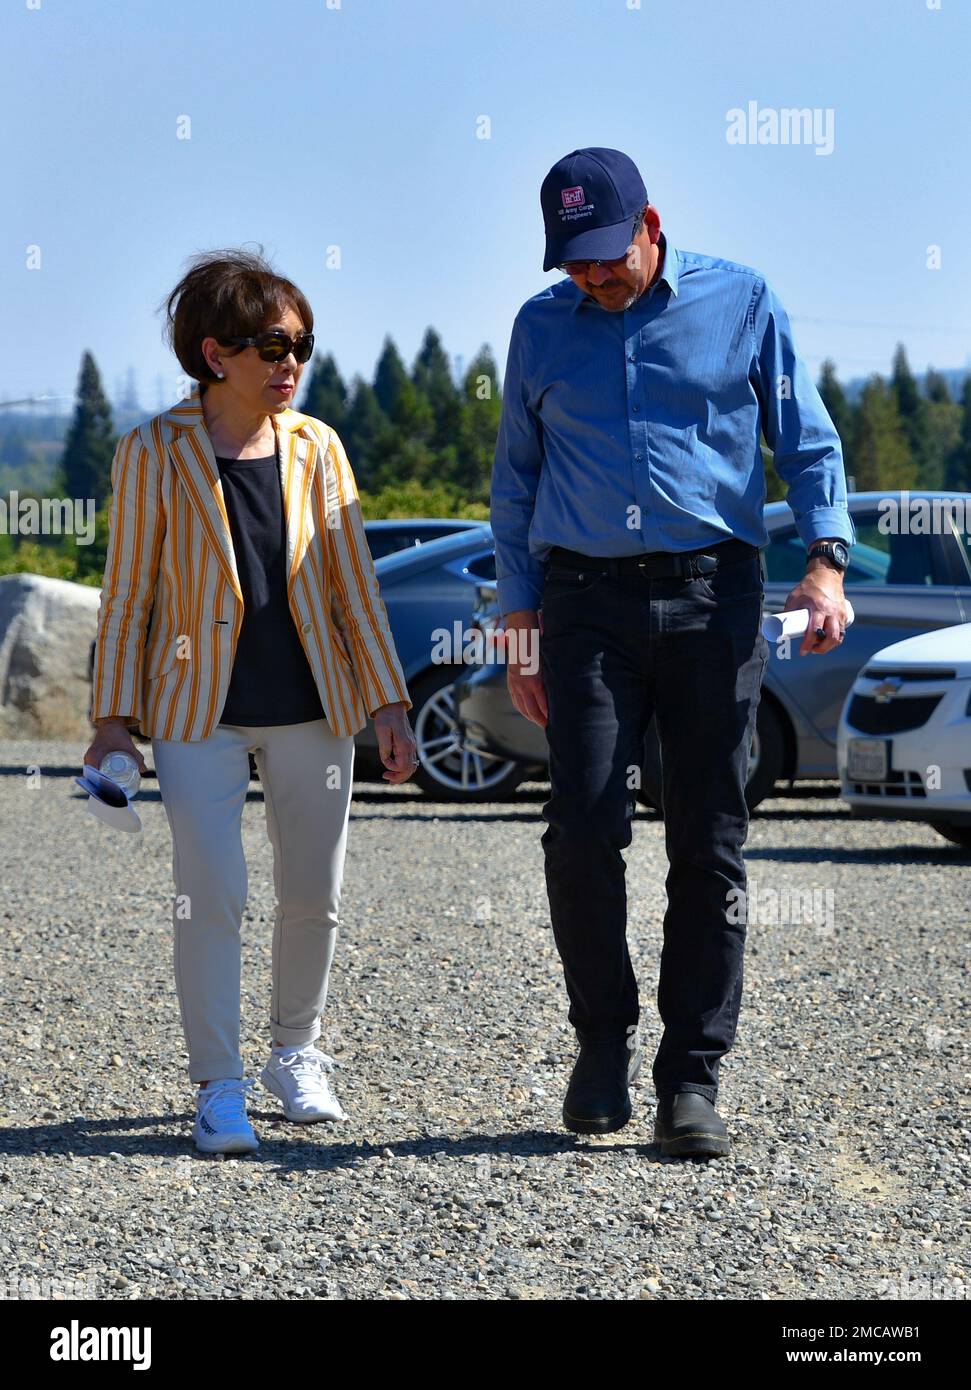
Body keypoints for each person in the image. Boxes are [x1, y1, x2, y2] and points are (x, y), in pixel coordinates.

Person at [490, 148, 855, 1159]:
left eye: (608, 256)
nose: (594, 278)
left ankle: (690, 1075)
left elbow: (809, 444)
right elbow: (516, 480)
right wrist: (518, 617)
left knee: (707, 837)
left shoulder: (741, 301)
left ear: (651, 223)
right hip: (583, 602)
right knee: (580, 826)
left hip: (711, 600)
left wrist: (822, 562)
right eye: (575, 263)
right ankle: (598, 1043)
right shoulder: (539, 327)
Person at [83, 248, 419, 1155]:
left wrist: (388, 703)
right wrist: (112, 719)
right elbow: (129, 595)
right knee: (213, 895)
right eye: (270, 344)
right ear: (213, 352)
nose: (290, 364)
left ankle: (297, 1054)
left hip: (317, 707)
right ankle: (218, 1084)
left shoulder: (320, 447)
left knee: (315, 894)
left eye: (301, 345)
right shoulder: (153, 450)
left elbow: (354, 586)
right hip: (198, 711)